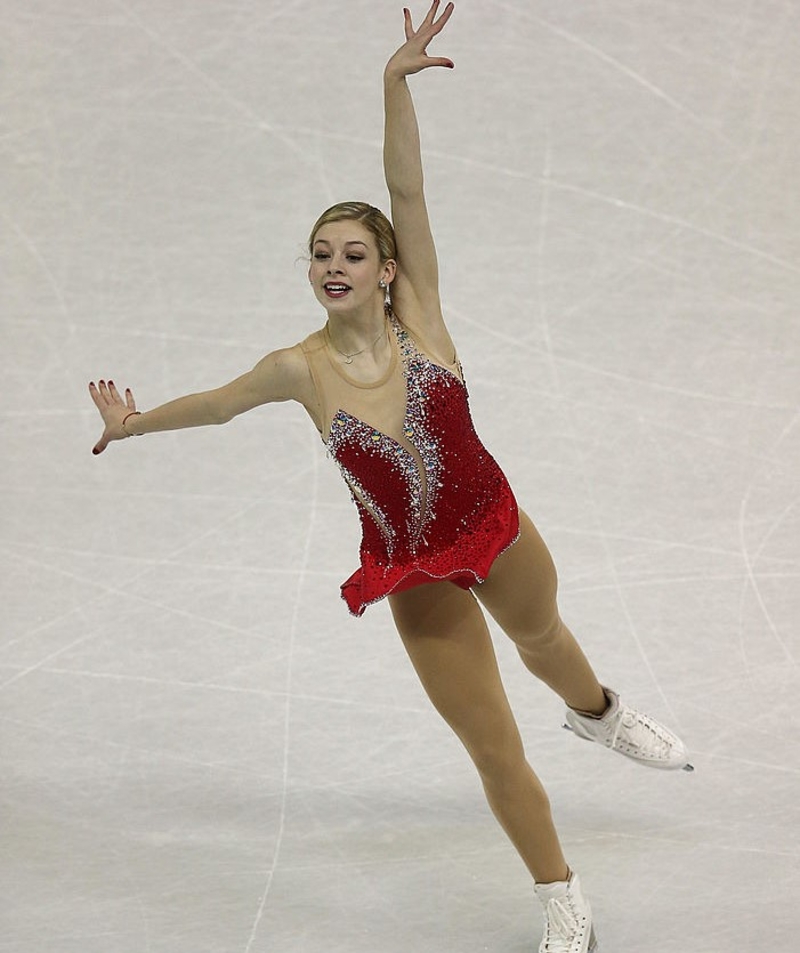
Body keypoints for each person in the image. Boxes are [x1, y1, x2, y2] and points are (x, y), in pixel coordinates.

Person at [89, 4, 691, 950]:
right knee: (493, 744)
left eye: (353, 254)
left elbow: (407, 194)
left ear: (387, 270)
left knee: (546, 640)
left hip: (496, 523)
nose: (334, 266)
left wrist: (392, 85)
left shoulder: (424, 323)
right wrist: (133, 424)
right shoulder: (299, 369)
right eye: (322, 254)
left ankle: (599, 715)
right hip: (413, 567)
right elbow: (215, 402)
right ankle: (559, 892)